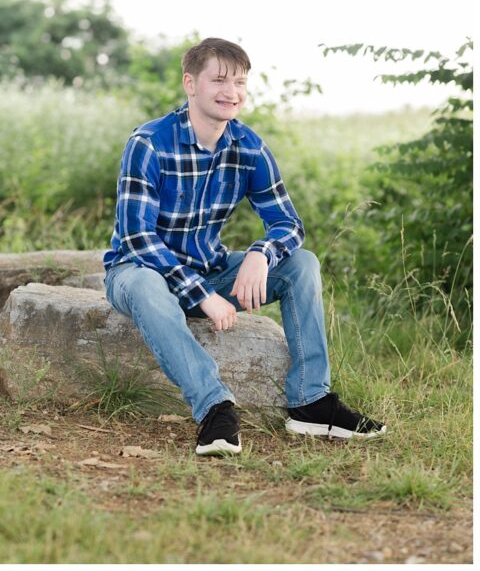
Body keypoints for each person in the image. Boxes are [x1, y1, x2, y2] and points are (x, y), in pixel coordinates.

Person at [103, 38, 385, 456]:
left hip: (209, 267)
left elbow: (288, 223)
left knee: (301, 264)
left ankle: (310, 402)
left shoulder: (248, 146)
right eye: (219, 80)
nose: (231, 92)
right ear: (190, 83)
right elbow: (138, 239)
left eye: (239, 82)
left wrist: (260, 253)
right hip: (138, 272)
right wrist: (204, 297)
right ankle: (214, 407)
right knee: (146, 283)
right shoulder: (149, 142)